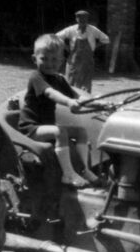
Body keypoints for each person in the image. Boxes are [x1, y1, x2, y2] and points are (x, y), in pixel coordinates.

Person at [18, 33, 99, 188]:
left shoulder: (59, 79)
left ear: (61, 61)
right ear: (35, 59)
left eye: (54, 59)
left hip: (46, 126)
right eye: (44, 59)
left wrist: (101, 104)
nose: (50, 63)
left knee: (81, 131)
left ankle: (84, 170)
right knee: (60, 132)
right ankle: (68, 174)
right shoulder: (36, 77)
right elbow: (50, 93)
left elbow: (78, 97)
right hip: (31, 128)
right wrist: (69, 102)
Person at [56, 10, 109, 93]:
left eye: (84, 19)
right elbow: (56, 37)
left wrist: (95, 47)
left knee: (86, 81)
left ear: (87, 19)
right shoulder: (71, 29)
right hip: (74, 60)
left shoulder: (93, 30)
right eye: (80, 19)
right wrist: (66, 47)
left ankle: (86, 100)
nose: (82, 21)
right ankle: (70, 98)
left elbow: (106, 39)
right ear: (76, 19)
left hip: (87, 61)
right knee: (71, 80)